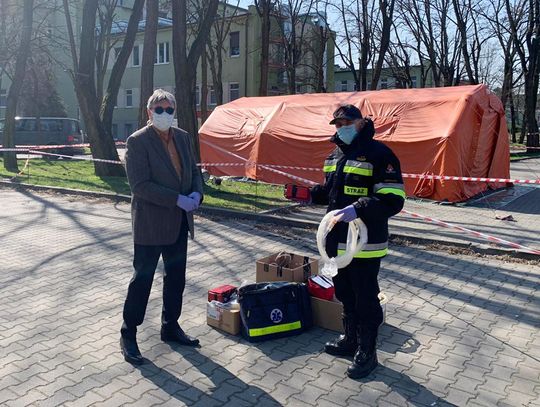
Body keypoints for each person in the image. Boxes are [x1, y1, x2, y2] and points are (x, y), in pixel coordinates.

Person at [310, 105, 405, 379]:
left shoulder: (380, 154)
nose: (342, 127)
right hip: (337, 244)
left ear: (361, 122)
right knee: (344, 294)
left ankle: (367, 352)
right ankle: (349, 339)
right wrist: (309, 194)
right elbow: (330, 193)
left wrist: (359, 208)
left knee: (365, 299)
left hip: (365, 245)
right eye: (337, 124)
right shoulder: (335, 154)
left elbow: (392, 199)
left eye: (347, 122)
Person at [120, 89, 204, 365]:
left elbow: (193, 171)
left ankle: (170, 325)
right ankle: (128, 333)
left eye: (169, 110)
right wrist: (176, 199)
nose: (165, 114)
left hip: (179, 223)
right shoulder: (137, 141)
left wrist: (196, 194)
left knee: (176, 278)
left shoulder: (183, 137)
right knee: (142, 280)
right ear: (149, 113)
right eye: (159, 110)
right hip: (150, 224)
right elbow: (140, 185)